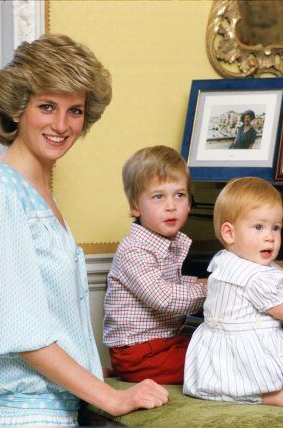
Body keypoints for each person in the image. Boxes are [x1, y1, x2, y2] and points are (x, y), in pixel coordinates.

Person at [0, 34, 168, 426]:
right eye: (47, 106)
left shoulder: (38, 192)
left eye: (74, 110)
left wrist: (95, 374)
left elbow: (50, 319)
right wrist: (110, 398)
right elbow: (19, 331)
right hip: (20, 417)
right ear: (17, 109)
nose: (61, 125)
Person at [183, 177, 283, 418]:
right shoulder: (255, 278)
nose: (270, 237)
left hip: (216, 370)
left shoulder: (225, 259)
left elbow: (274, 270)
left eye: (275, 227)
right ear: (229, 232)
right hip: (245, 374)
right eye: (259, 227)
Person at [103, 145, 207, 385]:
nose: (171, 205)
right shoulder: (134, 250)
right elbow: (165, 298)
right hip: (138, 354)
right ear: (135, 206)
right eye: (158, 196)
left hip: (161, 345)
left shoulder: (166, 243)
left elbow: (171, 283)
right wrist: (213, 288)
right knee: (217, 358)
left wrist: (202, 282)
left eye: (179, 195)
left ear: (189, 202)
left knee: (217, 343)